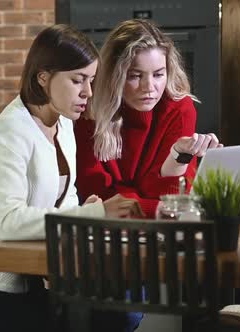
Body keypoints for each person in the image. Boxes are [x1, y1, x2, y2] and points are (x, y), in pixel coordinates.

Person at [0, 24, 143, 332]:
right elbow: (9, 221)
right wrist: (94, 213)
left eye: (91, 81)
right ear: (43, 77)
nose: (88, 92)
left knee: (117, 313)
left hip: (33, 282)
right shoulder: (10, 133)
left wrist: (83, 209)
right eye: (77, 80)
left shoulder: (63, 124)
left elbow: (66, 198)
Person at [75, 19, 223, 219]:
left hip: (161, 227)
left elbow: (174, 196)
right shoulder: (91, 111)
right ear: (113, 76)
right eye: (135, 76)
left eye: (158, 74)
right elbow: (95, 193)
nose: (149, 87)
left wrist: (177, 157)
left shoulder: (180, 108)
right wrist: (152, 207)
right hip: (110, 229)